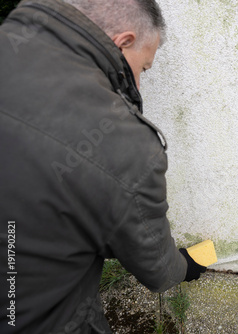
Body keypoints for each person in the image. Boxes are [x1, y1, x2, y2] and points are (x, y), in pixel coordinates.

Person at [0, 0, 206, 332]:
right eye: (143, 68)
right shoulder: (121, 143)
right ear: (124, 41)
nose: (138, 85)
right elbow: (157, 269)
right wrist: (185, 265)